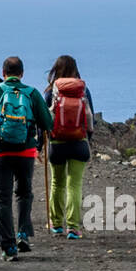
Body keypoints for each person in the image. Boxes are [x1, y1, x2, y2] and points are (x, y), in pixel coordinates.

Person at [0, 56, 53, 261]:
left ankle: (9, 247)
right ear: (22, 73)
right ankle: (23, 234)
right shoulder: (32, 93)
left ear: (3, 74)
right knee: (24, 193)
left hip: (0, 153)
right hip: (26, 152)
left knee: (2, 198)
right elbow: (47, 123)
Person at [44, 55, 94, 241]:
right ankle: (73, 228)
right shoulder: (83, 90)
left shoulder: (51, 91)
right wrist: (87, 138)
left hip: (57, 144)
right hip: (79, 142)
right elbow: (91, 121)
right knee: (74, 185)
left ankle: (56, 224)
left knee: (57, 183)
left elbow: (45, 117)